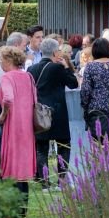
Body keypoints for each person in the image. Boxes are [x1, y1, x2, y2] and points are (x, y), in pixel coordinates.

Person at [28, 38, 79, 185]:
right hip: (57, 112)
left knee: (41, 147)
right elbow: (73, 83)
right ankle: (61, 181)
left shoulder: (32, 69)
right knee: (63, 145)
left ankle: (44, 183)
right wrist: (67, 67)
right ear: (55, 52)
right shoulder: (57, 68)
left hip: (39, 113)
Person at [0, 46, 37, 218]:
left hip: (13, 126)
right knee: (23, 168)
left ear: (9, 60)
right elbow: (35, 99)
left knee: (10, 166)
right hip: (27, 126)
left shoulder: (7, 78)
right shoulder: (28, 76)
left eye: (1, 60)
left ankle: (10, 210)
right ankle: (22, 211)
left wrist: (3, 115)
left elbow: (8, 98)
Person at [79, 37, 109, 138]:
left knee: (100, 148)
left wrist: (85, 107)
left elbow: (85, 92)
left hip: (98, 113)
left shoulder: (90, 67)